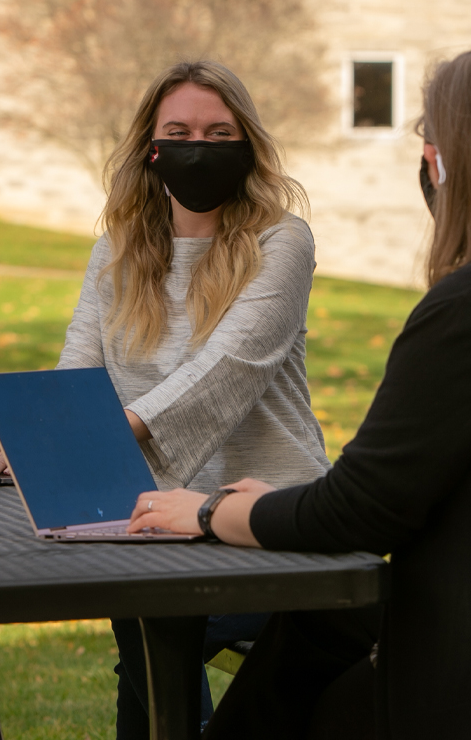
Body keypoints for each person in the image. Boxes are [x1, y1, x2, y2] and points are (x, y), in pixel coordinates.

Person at [128, 45, 471, 739]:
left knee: (303, 678)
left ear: (446, 165)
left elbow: (360, 511)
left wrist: (210, 513)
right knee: (322, 629)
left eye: (428, 146)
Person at [54, 60, 331, 738]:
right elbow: (75, 379)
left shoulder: (281, 243)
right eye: (177, 131)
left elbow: (223, 372)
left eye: (218, 133)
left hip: (268, 521)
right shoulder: (115, 253)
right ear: (150, 148)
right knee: (149, 636)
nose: (196, 148)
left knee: (154, 635)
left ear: (247, 146)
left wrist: (102, 432)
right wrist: (39, 433)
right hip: (153, 521)